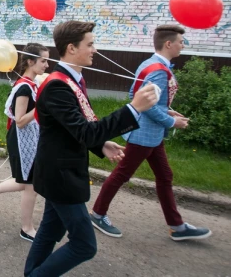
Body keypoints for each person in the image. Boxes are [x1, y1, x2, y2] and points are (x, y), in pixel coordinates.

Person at [24, 20, 158, 277]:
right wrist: (133, 109)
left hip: (59, 173)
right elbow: (84, 131)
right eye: (91, 44)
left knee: (50, 232)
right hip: (61, 178)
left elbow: (77, 127)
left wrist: (101, 144)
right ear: (72, 48)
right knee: (84, 245)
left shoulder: (70, 80)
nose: (95, 49)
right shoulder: (57, 85)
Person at [90, 25, 211, 241]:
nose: (183, 45)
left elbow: (135, 93)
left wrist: (167, 110)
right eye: (181, 42)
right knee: (122, 174)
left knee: (165, 176)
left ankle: (177, 226)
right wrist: (172, 122)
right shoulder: (157, 69)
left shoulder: (149, 63)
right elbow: (148, 105)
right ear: (168, 44)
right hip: (144, 134)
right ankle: (98, 214)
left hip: (151, 135)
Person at [0, 43, 49, 242]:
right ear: (30, 61)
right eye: (43, 60)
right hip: (21, 139)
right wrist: (42, 107)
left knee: (25, 182)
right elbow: (20, 121)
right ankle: (27, 228)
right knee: (31, 185)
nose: (46, 65)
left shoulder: (32, 83)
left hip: (30, 138)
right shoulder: (25, 87)